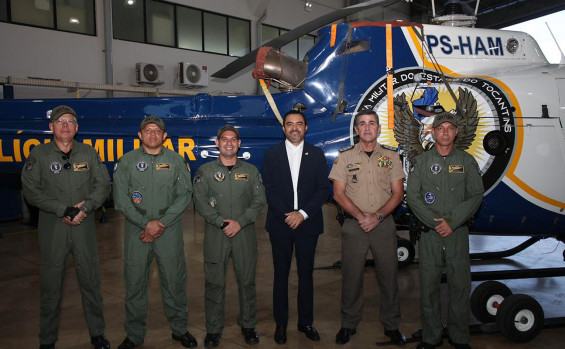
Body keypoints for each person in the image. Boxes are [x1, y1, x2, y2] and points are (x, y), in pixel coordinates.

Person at [21, 105, 111, 349]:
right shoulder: (38, 155)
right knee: (51, 286)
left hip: (84, 228)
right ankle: (47, 339)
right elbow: (31, 190)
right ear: (51, 127)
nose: (64, 125)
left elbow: (103, 184)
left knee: (91, 282)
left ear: (77, 127)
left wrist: (86, 207)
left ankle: (97, 333)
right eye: (59, 121)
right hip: (53, 229)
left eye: (70, 121)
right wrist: (64, 209)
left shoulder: (89, 153)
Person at [112, 116, 196, 349]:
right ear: (139, 135)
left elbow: (184, 195)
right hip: (136, 230)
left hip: (168, 229)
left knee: (174, 281)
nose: (152, 134)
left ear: (164, 136)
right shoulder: (127, 162)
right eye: (147, 130)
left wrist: (160, 223)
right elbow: (120, 200)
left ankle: (180, 329)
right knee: (135, 282)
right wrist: (145, 223)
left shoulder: (177, 161)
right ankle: (134, 334)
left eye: (157, 131)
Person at [406, 112, 484, 349]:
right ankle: (431, 336)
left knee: (460, 286)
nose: (446, 132)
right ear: (434, 132)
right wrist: (434, 222)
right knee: (428, 286)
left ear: (456, 132)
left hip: (457, 234)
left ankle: (460, 337)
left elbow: (475, 195)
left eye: (450, 128)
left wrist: (452, 222)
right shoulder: (422, 162)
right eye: (441, 128)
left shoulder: (467, 161)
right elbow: (413, 196)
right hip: (430, 234)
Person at [328, 110, 406, 346]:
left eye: (372, 123)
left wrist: (378, 217)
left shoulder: (391, 157)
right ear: (356, 130)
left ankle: (392, 326)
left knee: (389, 277)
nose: (367, 127)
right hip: (354, 226)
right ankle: (348, 324)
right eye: (362, 124)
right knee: (351, 278)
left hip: (383, 225)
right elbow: (338, 194)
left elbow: (398, 193)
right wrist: (362, 217)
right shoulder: (345, 157)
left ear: (379, 128)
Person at [193, 125, 266, 348]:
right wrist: (220, 222)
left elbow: (259, 201)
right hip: (217, 234)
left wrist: (240, 222)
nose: (229, 143)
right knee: (214, 283)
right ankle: (213, 329)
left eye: (233, 139)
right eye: (224, 139)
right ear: (217, 143)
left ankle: (248, 325)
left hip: (244, 235)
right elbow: (200, 202)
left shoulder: (251, 171)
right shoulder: (204, 171)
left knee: (247, 282)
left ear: (239, 143)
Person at [262, 110, 330, 344]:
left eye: (298, 124)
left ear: (306, 128)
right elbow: (269, 190)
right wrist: (286, 215)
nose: (294, 128)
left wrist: (302, 214)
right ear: (283, 129)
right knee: (280, 276)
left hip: (307, 224)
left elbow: (323, 189)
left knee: (306, 275)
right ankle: (281, 324)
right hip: (280, 226)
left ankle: (305, 322)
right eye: (289, 124)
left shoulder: (318, 154)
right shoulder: (271, 154)